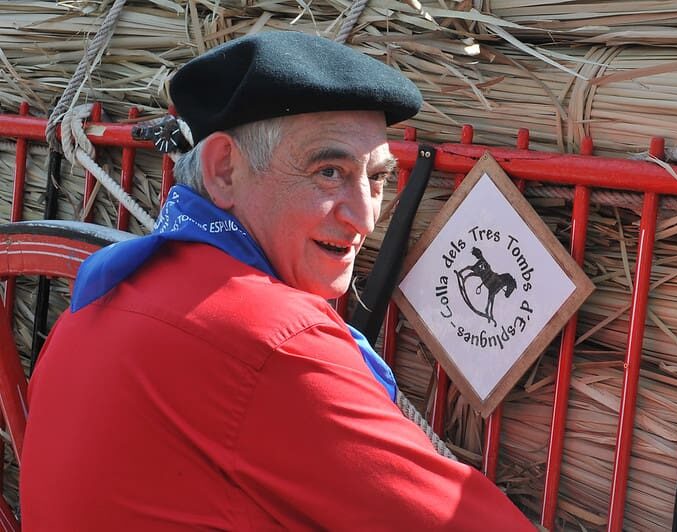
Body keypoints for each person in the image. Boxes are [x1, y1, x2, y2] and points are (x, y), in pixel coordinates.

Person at [20, 31, 534, 530]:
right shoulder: (272, 342)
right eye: (329, 172)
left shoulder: (105, 291)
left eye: (376, 178)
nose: (365, 218)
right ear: (224, 171)